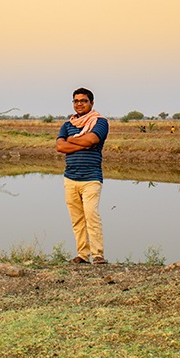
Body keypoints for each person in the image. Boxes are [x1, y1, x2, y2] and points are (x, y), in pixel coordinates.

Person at [56, 87, 110, 264]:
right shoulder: (67, 125)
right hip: (70, 178)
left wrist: (71, 140)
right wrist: (82, 144)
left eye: (83, 101)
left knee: (91, 216)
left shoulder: (100, 122)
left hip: (91, 178)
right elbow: (60, 147)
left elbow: (92, 140)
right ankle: (82, 255)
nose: (79, 104)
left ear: (91, 103)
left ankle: (98, 255)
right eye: (76, 101)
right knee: (77, 219)